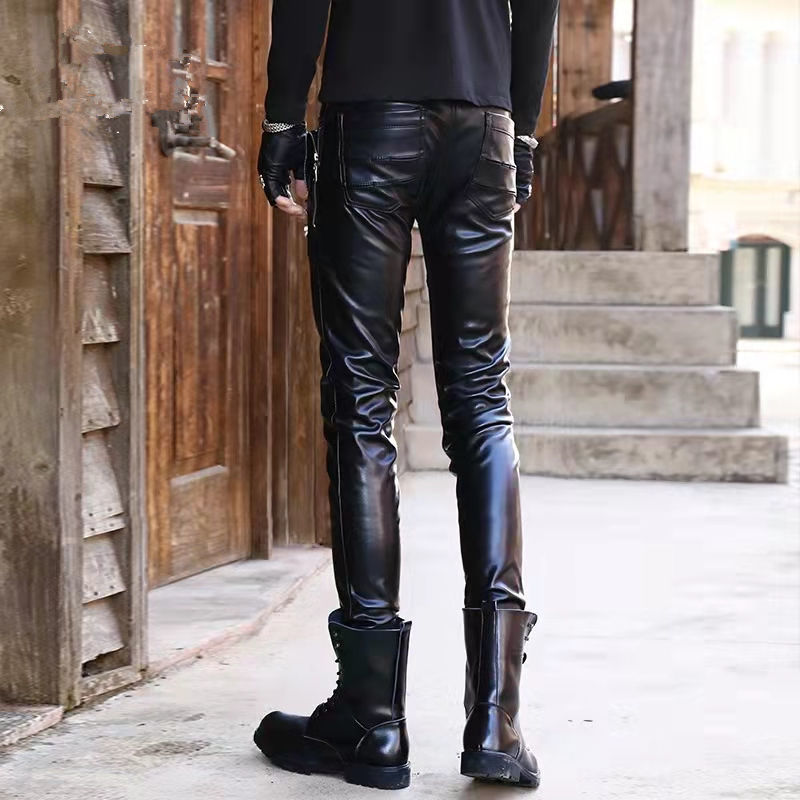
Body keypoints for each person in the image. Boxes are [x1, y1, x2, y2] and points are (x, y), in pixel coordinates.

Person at [254, 0, 558, 790]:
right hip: (482, 120)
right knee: (482, 400)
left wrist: (283, 119)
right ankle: (495, 718)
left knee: (361, 399)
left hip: (369, 115)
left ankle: (370, 716)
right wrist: (522, 130)